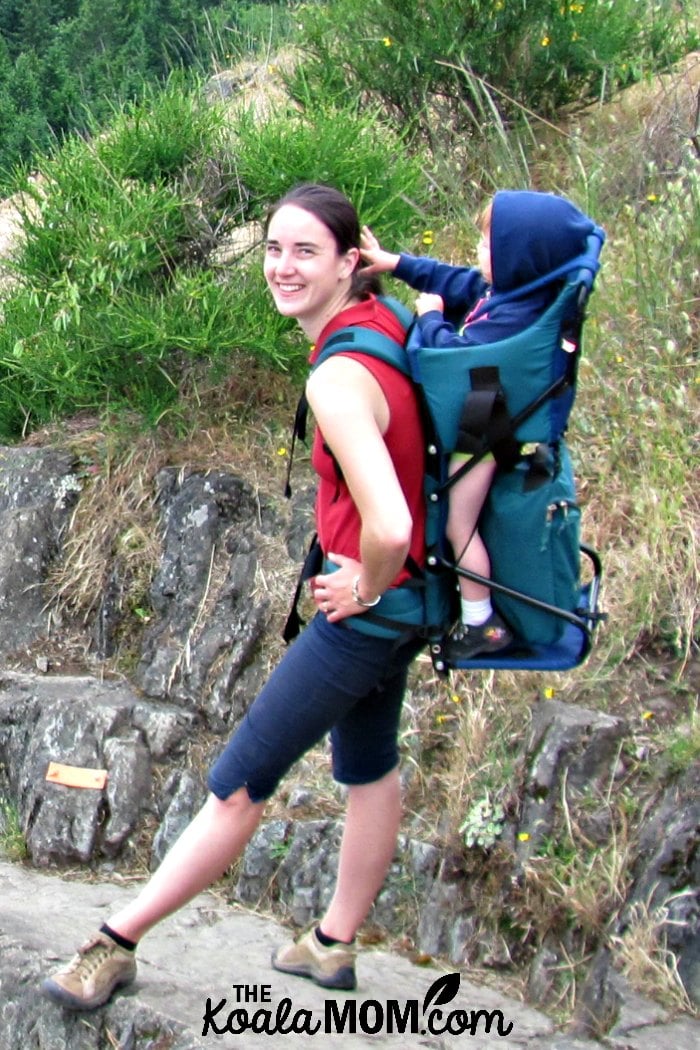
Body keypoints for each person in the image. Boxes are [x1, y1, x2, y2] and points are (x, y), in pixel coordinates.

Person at [41, 183, 427, 1010]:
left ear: (347, 263)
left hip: (367, 614)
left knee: (241, 780)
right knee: (370, 766)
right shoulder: (388, 325)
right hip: (415, 607)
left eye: (305, 252)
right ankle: (333, 943)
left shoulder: (337, 375)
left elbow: (389, 522)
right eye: (273, 249)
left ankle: (115, 942)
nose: (283, 268)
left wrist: (364, 579)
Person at [360, 189, 597, 662]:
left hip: (484, 427)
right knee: (462, 524)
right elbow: (460, 281)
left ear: (520, 258)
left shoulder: (509, 318)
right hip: (492, 415)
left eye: (489, 244)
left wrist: (428, 320)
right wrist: (396, 263)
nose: (479, 252)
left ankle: (481, 622)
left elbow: (452, 356)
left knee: (459, 526)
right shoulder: (519, 293)